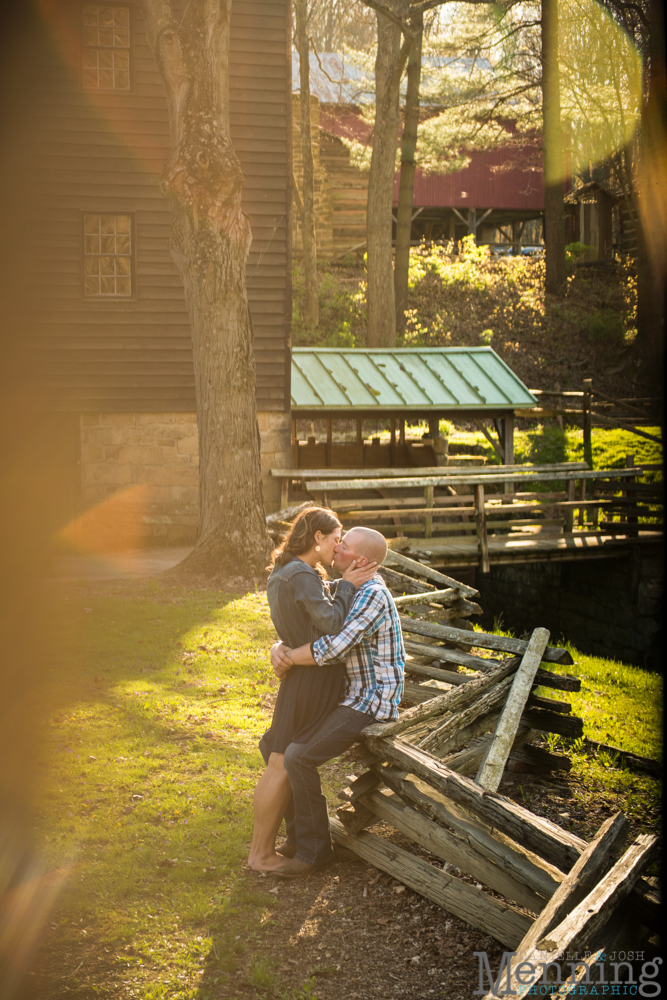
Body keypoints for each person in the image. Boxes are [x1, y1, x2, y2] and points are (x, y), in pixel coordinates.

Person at [268, 526, 405, 879]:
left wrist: (289, 658)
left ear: (360, 560)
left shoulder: (373, 594)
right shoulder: (346, 588)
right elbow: (307, 613)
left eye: (342, 545)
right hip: (347, 697)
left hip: (369, 703)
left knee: (298, 757)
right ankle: (299, 838)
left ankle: (315, 853)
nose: (335, 548)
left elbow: (335, 646)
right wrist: (277, 648)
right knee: (275, 746)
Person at [247, 508, 378, 872]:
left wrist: (282, 647)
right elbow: (333, 621)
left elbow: (302, 620)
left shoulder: (286, 570)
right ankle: (260, 855)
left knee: (280, 757)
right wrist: (350, 585)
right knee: (279, 763)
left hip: (300, 679)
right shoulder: (302, 574)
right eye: (336, 538)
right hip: (312, 681)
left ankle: (280, 844)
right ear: (317, 538)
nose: (338, 546)